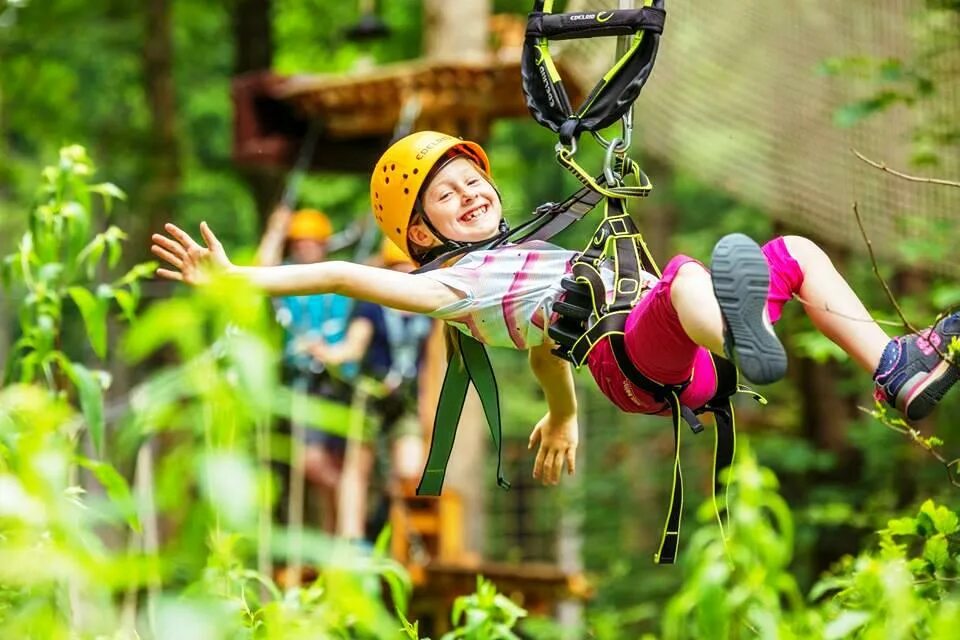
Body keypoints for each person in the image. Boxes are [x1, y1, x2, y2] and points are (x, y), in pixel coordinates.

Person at [152, 131, 960, 490]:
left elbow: (549, 350)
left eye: (474, 183)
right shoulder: (454, 289)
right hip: (637, 358)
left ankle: (894, 366)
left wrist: (561, 416)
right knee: (682, 277)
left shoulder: (532, 267)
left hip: (664, 354)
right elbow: (339, 276)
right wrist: (239, 280)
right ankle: (736, 326)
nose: (471, 194)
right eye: (447, 196)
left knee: (799, 254)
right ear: (421, 233)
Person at [307, 238, 436, 540]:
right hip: (372, 393)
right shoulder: (373, 306)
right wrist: (331, 354)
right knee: (358, 467)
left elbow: (429, 362)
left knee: (409, 471)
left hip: (405, 399)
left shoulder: (427, 307)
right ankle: (352, 537)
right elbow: (355, 345)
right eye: (398, 269)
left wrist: (429, 407)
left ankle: (390, 532)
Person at [256, 204, 356, 534]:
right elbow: (259, 272)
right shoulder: (288, 277)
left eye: (312, 241)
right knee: (310, 462)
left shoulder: (342, 275)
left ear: (326, 243)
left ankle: (338, 538)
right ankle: (349, 498)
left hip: (340, 379)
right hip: (303, 378)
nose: (305, 247)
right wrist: (275, 232)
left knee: (337, 460)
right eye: (298, 241)